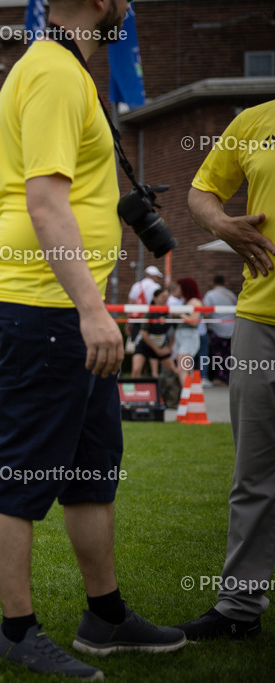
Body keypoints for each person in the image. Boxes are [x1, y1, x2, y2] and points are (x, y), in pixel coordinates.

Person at [0, 2, 186, 677]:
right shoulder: (54, 73)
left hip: (66, 304)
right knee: (25, 467)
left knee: (92, 469)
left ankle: (106, 615)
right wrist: (92, 309)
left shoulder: (62, 68)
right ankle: (16, 630)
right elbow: (44, 200)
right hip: (47, 306)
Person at [176, 98, 274, 642]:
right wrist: (220, 222)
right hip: (261, 318)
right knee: (253, 473)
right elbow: (200, 190)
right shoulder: (253, 121)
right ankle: (239, 609)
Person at [130, 287, 177, 379]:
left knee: (173, 370)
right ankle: (132, 392)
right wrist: (156, 349)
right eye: (163, 296)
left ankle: (176, 392)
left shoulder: (170, 313)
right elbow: (144, 334)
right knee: (136, 370)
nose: (165, 299)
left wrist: (169, 348)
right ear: (155, 298)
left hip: (161, 345)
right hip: (145, 345)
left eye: (167, 297)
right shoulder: (149, 313)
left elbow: (175, 331)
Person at [201, 274, 237, 385]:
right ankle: (231, 377)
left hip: (217, 329)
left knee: (219, 356)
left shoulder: (210, 295)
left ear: (213, 283)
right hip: (232, 328)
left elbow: (206, 313)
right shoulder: (231, 294)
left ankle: (222, 378)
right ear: (224, 283)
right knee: (230, 355)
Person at [171, 277, 202, 386]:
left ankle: (187, 396)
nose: (178, 290)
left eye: (180, 288)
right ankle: (190, 395)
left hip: (189, 336)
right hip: (182, 336)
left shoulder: (194, 302)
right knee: (187, 368)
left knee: (182, 369)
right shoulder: (186, 301)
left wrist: (180, 313)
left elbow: (194, 321)